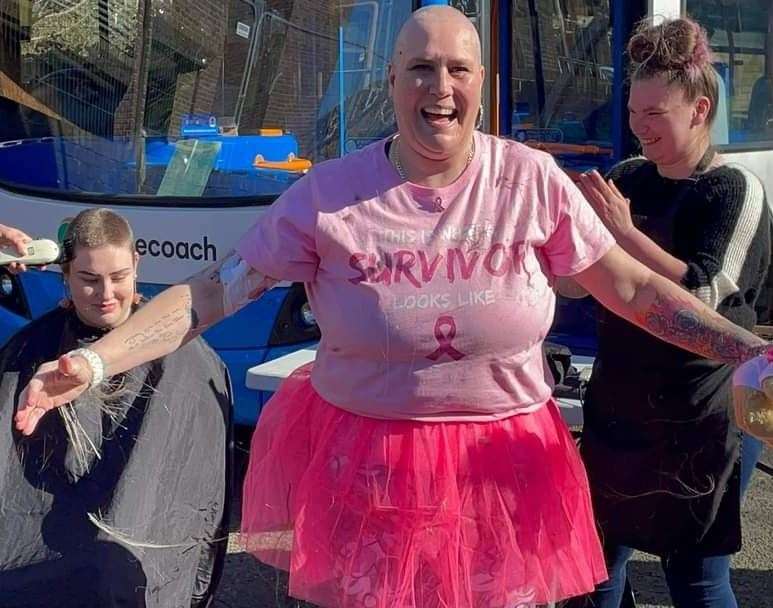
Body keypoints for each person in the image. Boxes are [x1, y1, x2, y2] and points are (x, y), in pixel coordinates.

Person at [12, 8, 772, 608]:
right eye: (419, 68)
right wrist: (96, 357)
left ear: (482, 81)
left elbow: (633, 288)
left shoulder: (531, 182)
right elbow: (214, 290)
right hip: (367, 467)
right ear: (392, 78)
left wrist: (748, 352)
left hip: (506, 468)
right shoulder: (328, 195)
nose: (439, 86)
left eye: (457, 68)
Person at [570, 17, 770, 608]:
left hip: (708, 412)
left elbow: (704, 295)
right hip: (620, 404)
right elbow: (581, 282)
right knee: (594, 569)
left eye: (654, 114)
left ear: (699, 109)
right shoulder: (626, 178)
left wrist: (624, 233)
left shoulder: (733, 190)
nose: (638, 127)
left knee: (697, 581)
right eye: (633, 111)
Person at [0, 208, 232, 607]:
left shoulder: (189, 359)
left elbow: (195, 491)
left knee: (115, 577)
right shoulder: (28, 351)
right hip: (41, 544)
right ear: (65, 273)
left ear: (137, 264)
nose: (106, 295)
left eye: (119, 277)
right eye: (89, 280)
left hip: (140, 538)